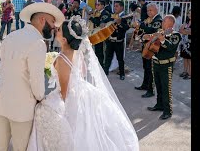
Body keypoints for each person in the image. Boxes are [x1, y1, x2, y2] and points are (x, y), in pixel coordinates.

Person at [27, 15, 139, 151]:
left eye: (59, 30)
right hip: (83, 90)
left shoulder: (62, 59)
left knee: (42, 112)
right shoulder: (76, 53)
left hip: (69, 95)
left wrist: (51, 105)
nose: (56, 29)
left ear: (63, 39)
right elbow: (83, 72)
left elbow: (64, 92)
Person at [0, 2, 65, 151]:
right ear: (42, 20)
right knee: (22, 146)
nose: (53, 28)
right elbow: (36, 79)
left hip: (3, 99)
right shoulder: (37, 43)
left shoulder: (11, 36)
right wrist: (41, 99)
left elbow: (3, 69)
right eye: (51, 23)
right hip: (22, 106)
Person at [146, 15, 182, 120]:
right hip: (156, 63)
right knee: (158, 86)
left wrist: (162, 40)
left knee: (166, 89)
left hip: (166, 66)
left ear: (171, 23)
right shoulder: (160, 32)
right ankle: (159, 105)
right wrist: (147, 38)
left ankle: (168, 111)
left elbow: (171, 48)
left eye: (164, 21)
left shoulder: (175, 35)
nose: (162, 22)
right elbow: (151, 41)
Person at [134, 3, 162, 98]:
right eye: (148, 10)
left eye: (151, 10)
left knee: (150, 69)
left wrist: (141, 26)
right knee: (146, 67)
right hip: (146, 46)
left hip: (152, 48)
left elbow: (152, 30)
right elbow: (144, 31)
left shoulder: (158, 20)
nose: (149, 12)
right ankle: (145, 85)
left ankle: (151, 90)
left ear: (156, 10)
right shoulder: (149, 19)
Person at [104, 1, 131, 80]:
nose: (115, 7)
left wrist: (120, 24)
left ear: (122, 7)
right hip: (110, 40)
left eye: (117, 6)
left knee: (120, 59)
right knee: (108, 57)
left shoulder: (126, 16)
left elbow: (127, 27)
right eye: (114, 6)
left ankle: (122, 74)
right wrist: (103, 23)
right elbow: (106, 20)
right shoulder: (112, 15)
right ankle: (105, 73)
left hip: (119, 41)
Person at [89, 0, 111, 67]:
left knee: (100, 51)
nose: (96, 6)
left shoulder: (105, 13)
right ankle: (98, 65)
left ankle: (101, 65)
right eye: (96, 4)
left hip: (101, 34)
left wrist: (91, 18)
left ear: (102, 6)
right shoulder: (97, 12)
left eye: (98, 5)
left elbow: (99, 23)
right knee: (97, 50)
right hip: (96, 33)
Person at [179, 9, 191, 79]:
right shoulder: (186, 22)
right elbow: (180, 30)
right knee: (185, 58)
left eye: (190, 13)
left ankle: (190, 74)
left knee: (189, 59)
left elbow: (190, 32)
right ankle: (185, 72)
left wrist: (185, 31)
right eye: (188, 13)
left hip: (190, 43)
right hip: (184, 43)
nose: (189, 15)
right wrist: (186, 31)